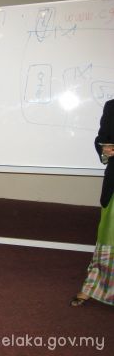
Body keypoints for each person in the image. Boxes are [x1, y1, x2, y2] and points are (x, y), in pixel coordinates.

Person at [70, 99, 114, 307]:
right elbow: (102, 139)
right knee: (109, 236)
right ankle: (94, 287)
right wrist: (105, 150)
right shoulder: (112, 106)